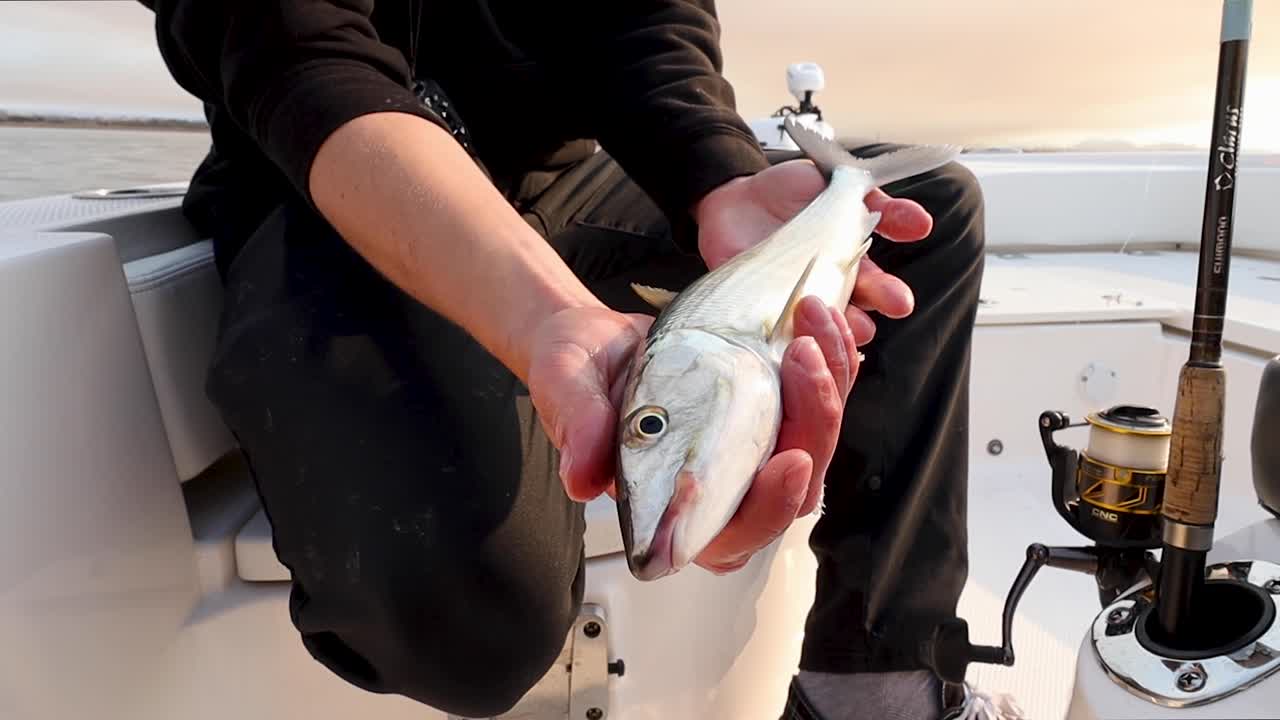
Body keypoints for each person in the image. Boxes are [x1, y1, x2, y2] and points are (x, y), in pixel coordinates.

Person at [140, 1, 1019, 718]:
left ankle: (872, 690)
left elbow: (640, 23)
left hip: (553, 183)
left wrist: (719, 176)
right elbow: (294, 52)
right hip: (331, 191)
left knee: (928, 213)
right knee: (473, 629)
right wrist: (546, 319)